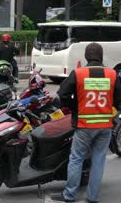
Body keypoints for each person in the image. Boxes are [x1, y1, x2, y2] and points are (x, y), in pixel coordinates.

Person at [51, 43, 121, 203]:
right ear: (101, 56)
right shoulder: (112, 74)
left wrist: (75, 108)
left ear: (86, 57)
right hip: (104, 126)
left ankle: (69, 195)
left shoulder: (79, 73)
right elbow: (119, 98)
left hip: (84, 126)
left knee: (76, 159)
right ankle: (93, 197)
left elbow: (63, 94)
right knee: (98, 160)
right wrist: (112, 109)